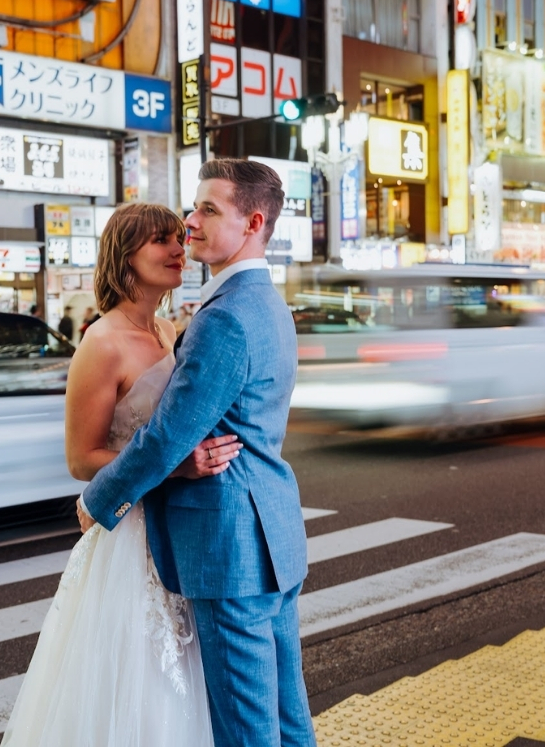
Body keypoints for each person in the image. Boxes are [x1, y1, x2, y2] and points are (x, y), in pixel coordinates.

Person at [79, 159, 317, 747]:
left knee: (247, 731)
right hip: (270, 537)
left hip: (229, 546)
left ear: (253, 222)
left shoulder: (225, 318)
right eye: (194, 207)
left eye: (209, 209)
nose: (190, 223)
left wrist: (97, 500)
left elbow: (166, 437)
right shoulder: (267, 304)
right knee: (287, 721)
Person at [2, 203, 238, 746]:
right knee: (135, 680)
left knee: (186, 671)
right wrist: (175, 469)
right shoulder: (101, 342)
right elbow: (82, 458)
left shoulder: (168, 329)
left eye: (180, 238)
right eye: (162, 240)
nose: (180, 249)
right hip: (130, 537)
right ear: (125, 257)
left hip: (178, 527)